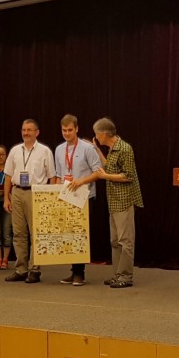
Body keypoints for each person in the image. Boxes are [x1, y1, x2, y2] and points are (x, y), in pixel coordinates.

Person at [3, 119, 56, 283]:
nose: (26, 133)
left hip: (36, 193)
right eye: (23, 130)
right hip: (17, 192)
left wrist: (49, 198)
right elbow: (8, 175)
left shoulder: (45, 151)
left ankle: (35, 270)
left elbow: (52, 177)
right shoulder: (14, 150)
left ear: (37, 132)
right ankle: (21, 269)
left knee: (36, 234)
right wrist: (6, 197)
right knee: (18, 233)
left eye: (29, 130)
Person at [93, 118, 143, 288]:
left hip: (124, 200)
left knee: (125, 240)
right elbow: (110, 168)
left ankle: (126, 276)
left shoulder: (125, 148)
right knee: (115, 241)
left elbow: (128, 175)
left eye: (97, 134)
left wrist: (105, 177)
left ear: (104, 133)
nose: (96, 137)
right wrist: (98, 152)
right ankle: (118, 274)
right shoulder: (112, 149)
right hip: (113, 201)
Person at [54, 114, 102, 286]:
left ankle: (79, 273)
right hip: (66, 196)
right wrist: (56, 194)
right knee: (69, 234)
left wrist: (81, 181)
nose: (67, 133)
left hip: (84, 196)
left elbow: (99, 172)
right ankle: (73, 270)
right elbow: (59, 174)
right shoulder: (59, 149)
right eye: (64, 130)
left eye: (70, 130)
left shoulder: (87, 148)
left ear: (77, 129)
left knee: (80, 234)